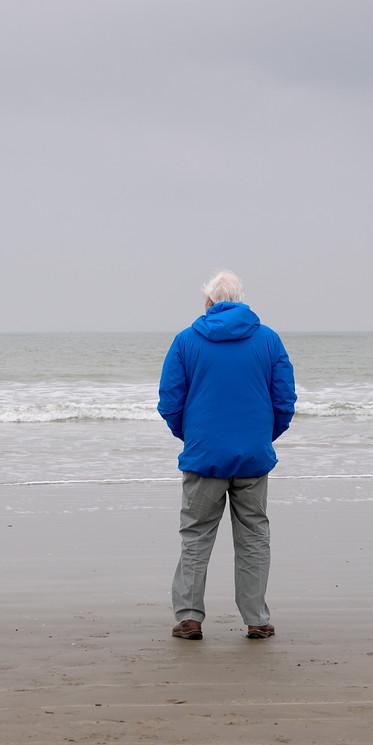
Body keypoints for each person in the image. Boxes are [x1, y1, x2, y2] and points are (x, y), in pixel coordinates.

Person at [158, 269, 295, 640]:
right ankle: (256, 618)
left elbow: (170, 402)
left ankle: (189, 617)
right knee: (254, 536)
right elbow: (284, 401)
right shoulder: (268, 340)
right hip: (252, 454)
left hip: (204, 456)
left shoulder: (186, 341)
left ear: (208, 302)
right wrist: (263, 436)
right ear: (240, 300)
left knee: (196, 534)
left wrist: (192, 436)